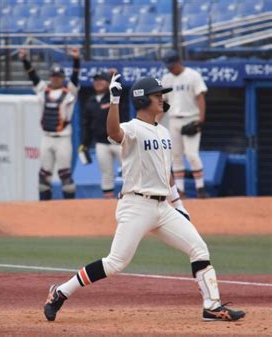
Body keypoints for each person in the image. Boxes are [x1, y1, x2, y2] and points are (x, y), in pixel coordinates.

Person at [43, 74, 245, 323]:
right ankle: (60, 292)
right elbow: (113, 132)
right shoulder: (132, 128)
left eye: (161, 94)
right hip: (136, 205)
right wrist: (114, 100)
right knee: (115, 262)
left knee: (199, 248)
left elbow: (167, 174)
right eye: (157, 94)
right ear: (142, 99)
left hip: (163, 207)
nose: (162, 98)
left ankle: (212, 306)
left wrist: (179, 205)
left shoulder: (164, 132)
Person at [19, 48, 80, 200]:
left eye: (59, 76)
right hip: (46, 137)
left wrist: (76, 60)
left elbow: (76, 77)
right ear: (50, 77)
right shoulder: (42, 91)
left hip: (63, 138)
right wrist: (25, 59)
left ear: (62, 78)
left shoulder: (69, 93)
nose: (56, 79)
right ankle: (46, 206)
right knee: (44, 173)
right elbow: (33, 76)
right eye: (54, 76)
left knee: (65, 173)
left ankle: (71, 207)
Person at [161, 49, 208, 198]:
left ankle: (200, 188)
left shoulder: (193, 75)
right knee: (176, 155)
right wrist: (154, 121)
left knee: (192, 154)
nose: (170, 68)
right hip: (173, 119)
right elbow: (163, 102)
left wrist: (201, 119)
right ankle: (180, 191)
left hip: (191, 118)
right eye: (168, 66)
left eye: (172, 65)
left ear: (179, 61)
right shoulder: (166, 78)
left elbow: (200, 97)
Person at [80, 70, 130, 198]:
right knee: (106, 174)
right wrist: (84, 144)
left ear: (108, 83)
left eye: (101, 80)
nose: (98, 83)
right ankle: (107, 204)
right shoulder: (90, 102)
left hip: (119, 141)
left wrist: (117, 79)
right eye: (96, 80)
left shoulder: (115, 97)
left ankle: (131, 200)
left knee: (128, 172)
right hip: (101, 143)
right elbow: (86, 125)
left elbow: (121, 93)